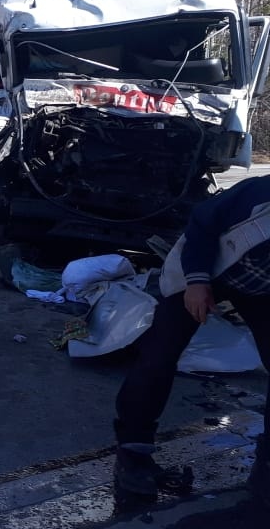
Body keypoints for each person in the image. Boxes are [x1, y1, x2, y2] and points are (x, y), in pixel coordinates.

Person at [113, 175, 270, 505]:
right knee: (159, 356)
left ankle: (266, 467)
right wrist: (197, 283)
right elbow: (202, 222)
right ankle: (132, 454)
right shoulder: (259, 192)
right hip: (204, 269)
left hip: (260, 289)